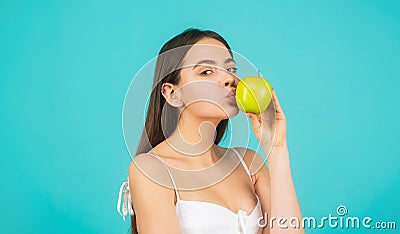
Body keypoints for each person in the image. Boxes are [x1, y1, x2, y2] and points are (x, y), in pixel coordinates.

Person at [117, 28, 304, 234]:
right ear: (172, 94)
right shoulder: (151, 170)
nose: (229, 79)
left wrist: (277, 147)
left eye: (231, 70)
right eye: (206, 71)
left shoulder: (249, 164)